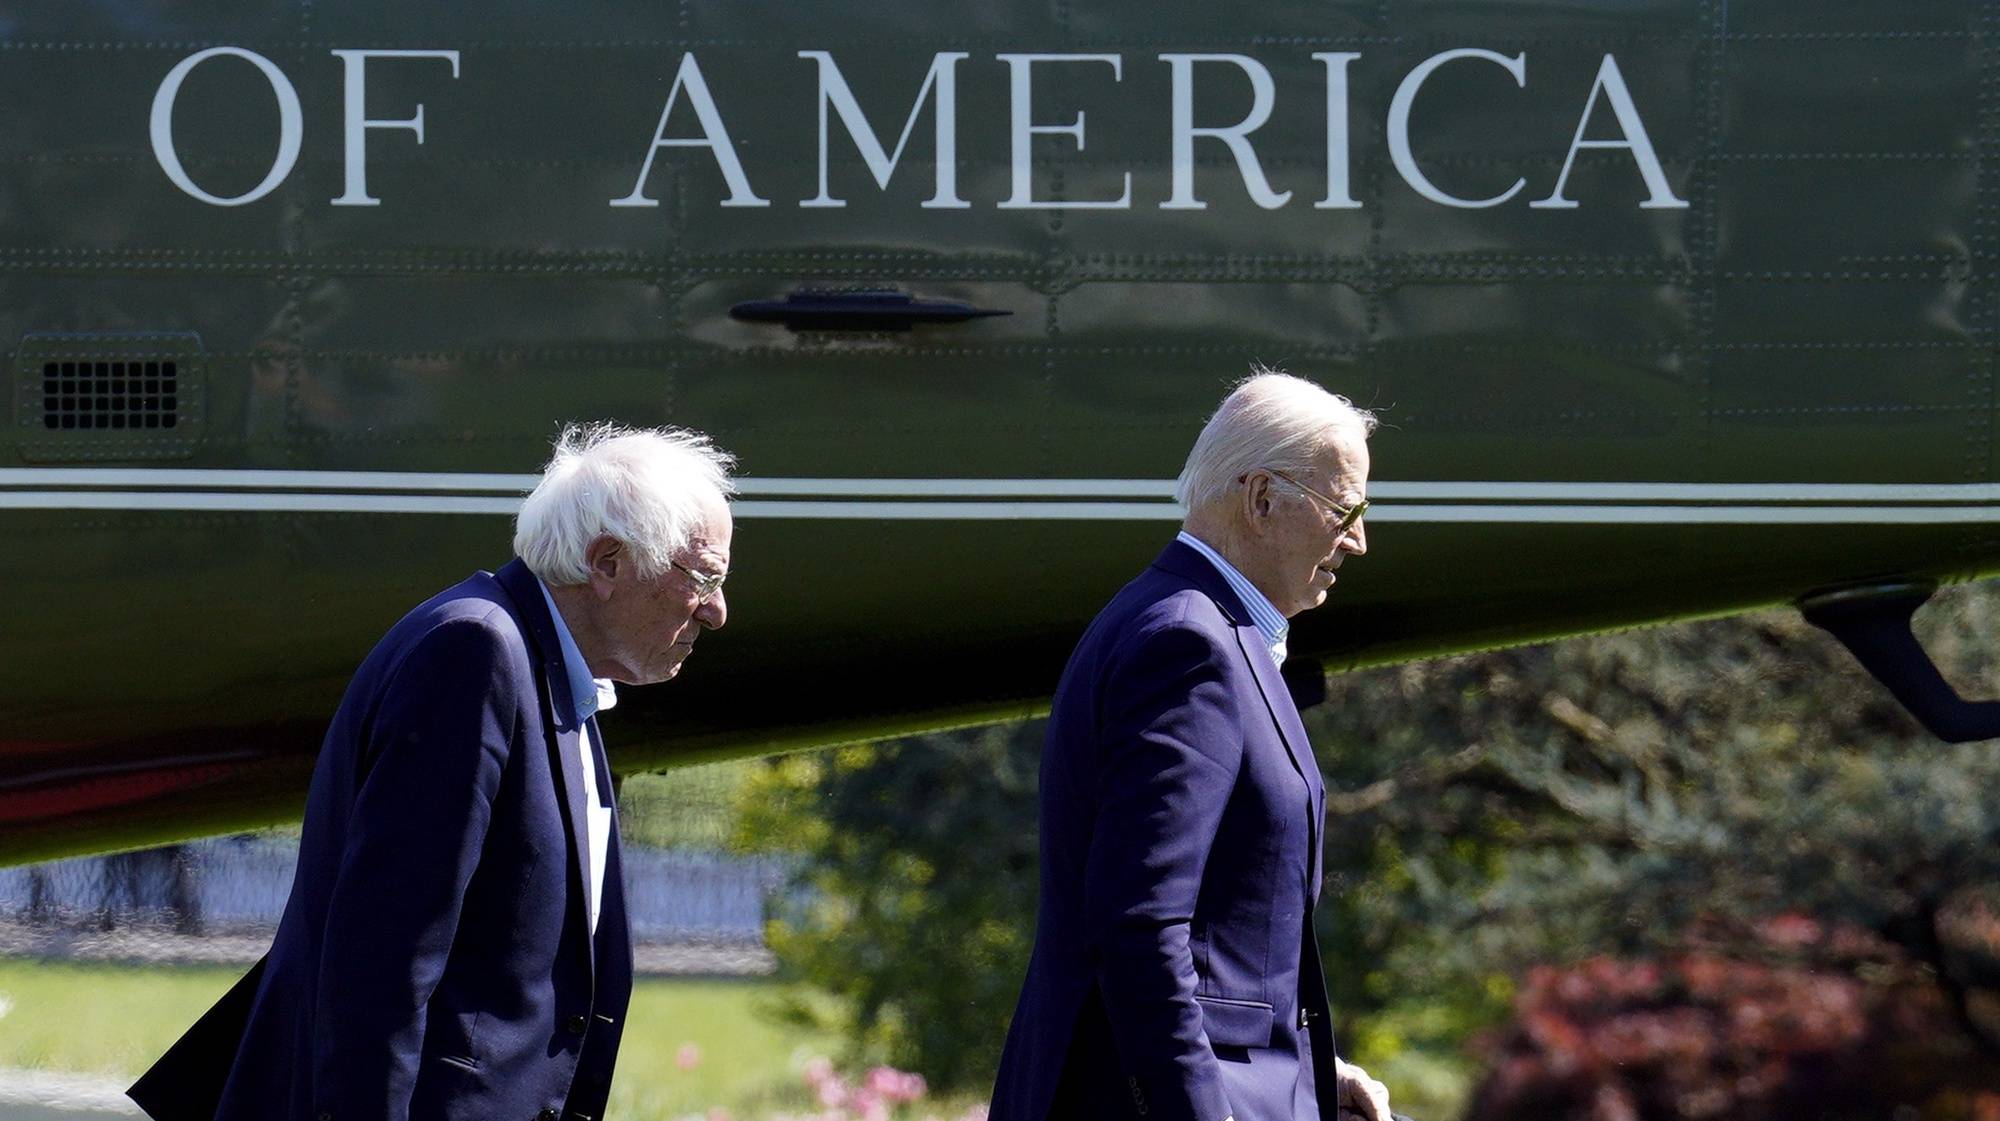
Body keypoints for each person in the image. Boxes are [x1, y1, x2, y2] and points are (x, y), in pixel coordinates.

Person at [129, 423, 735, 1121]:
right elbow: (382, 960)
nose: (717, 611)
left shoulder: (554, 676)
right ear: (607, 563)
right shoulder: (475, 653)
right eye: (705, 577)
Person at [989, 370, 1394, 1121]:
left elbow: (1223, 951)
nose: (1358, 540)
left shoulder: (1200, 627)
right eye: (1346, 508)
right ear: (1262, 498)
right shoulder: (1187, 645)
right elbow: (1142, 924)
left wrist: (1311, 1075)